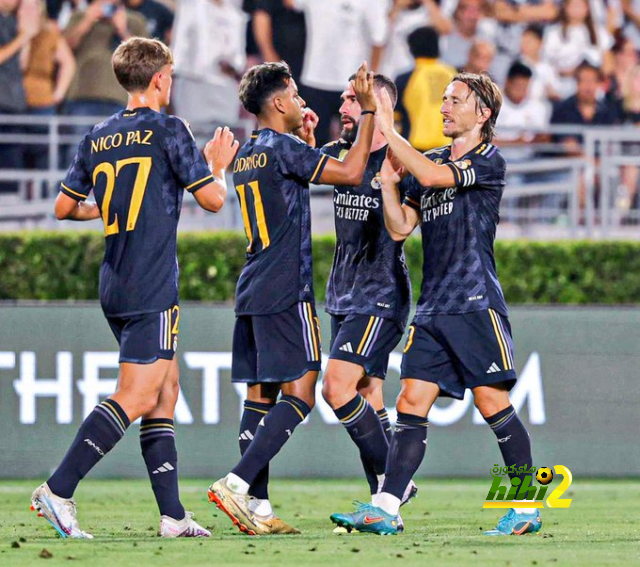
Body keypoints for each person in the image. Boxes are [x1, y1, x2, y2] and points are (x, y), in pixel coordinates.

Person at [30, 37, 237, 539]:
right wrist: (217, 166)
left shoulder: (97, 135)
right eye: (170, 73)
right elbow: (211, 201)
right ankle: (57, 491)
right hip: (150, 282)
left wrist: (107, 205)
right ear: (161, 78)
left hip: (115, 280)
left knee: (164, 390)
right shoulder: (170, 129)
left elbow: (63, 207)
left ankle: (172, 516)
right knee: (139, 393)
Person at [331, 72, 541, 537]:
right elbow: (401, 226)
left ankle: (526, 506)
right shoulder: (433, 158)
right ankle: (386, 505)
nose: (444, 107)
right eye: (443, 99)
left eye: (455, 101)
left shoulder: (488, 161)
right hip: (432, 307)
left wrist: (386, 121)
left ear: (482, 113)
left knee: (492, 403)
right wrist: (387, 184)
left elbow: (430, 177)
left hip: (474, 303)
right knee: (410, 400)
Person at [207, 60, 377, 536]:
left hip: (253, 283)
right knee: (300, 393)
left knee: (260, 395)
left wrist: (304, 142)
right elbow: (352, 170)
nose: (304, 102)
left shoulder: (247, 154)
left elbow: (285, 189)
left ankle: (256, 507)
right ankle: (238, 484)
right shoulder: (282, 148)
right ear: (278, 102)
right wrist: (367, 112)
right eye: (297, 95)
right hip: (287, 286)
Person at [320, 72, 417, 531]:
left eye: (351, 99)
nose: (343, 105)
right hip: (341, 293)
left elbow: (404, 227)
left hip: (379, 296)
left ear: (377, 106)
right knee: (367, 394)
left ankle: (395, 482)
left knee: (335, 387)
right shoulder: (342, 152)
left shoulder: (401, 160)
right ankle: (383, 506)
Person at [395, 26, 456, 153]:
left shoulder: (405, 79)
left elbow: (395, 117)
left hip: (415, 148)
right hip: (450, 147)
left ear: (411, 49)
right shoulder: (453, 74)